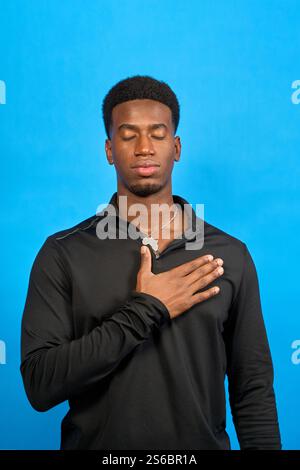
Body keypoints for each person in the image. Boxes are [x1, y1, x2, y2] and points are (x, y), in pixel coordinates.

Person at [20, 75, 282, 450]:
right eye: (128, 136)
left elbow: (252, 388)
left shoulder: (230, 255)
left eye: (157, 135)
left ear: (176, 147)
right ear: (109, 150)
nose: (144, 147)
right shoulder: (64, 253)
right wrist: (147, 308)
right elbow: (39, 384)